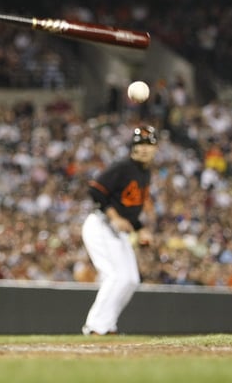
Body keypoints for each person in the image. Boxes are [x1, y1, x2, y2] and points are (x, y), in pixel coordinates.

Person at [80, 125, 158, 336]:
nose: (143, 149)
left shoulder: (145, 173)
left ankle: (108, 325)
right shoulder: (123, 166)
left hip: (117, 230)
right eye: (139, 144)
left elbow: (131, 210)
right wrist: (114, 216)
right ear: (132, 147)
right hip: (100, 224)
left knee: (131, 278)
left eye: (148, 144)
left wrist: (140, 229)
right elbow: (95, 190)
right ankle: (95, 326)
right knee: (115, 276)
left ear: (155, 149)